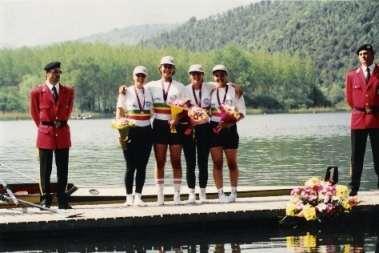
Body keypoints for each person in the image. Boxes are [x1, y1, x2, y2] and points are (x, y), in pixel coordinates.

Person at [29, 61, 74, 209]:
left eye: (59, 72)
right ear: (47, 73)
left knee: (63, 169)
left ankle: (62, 199)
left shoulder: (68, 91)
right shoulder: (37, 92)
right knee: (45, 169)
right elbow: (35, 114)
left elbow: (68, 111)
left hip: (62, 132)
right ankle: (46, 199)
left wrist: (60, 122)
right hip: (45, 133)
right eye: (54, 72)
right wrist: (44, 127)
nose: (57, 75)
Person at [146, 56, 187, 205]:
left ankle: (177, 195)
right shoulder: (151, 85)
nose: (167, 69)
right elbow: (136, 89)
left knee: (176, 161)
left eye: (170, 67)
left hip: (175, 125)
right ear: (160, 69)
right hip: (159, 125)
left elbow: (186, 108)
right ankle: (160, 196)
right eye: (165, 66)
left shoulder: (180, 87)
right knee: (160, 161)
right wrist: (123, 89)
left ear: (173, 70)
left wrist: (177, 118)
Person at [345, 44, 379, 197]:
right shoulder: (352, 75)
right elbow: (350, 99)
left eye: (367, 53)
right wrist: (361, 109)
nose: (364, 56)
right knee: (356, 156)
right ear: (358, 57)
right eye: (361, 54)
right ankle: (353, 187)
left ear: (373, 55)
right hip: (358, 120)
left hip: (377, 119)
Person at [116, 66, 153, 206]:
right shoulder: (126, 91)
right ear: (133, 77)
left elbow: (153, 112)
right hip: (131, 131)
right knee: (130, 166)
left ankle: (138, 196)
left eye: (143, 76)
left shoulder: (148, 91)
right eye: (138, 76)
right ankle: (128, 197)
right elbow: (120, 112)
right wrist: (120, 133)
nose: (140, 78)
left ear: (146, 78)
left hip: (147, 131)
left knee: (142, 166)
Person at [209, 64, 246, 203]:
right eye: (216, 75)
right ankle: (220, 194)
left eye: (222, 75)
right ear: (213, 77)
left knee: (232, 163)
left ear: (226, 76)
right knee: (217, 163)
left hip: (230, 129)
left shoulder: (235, 91)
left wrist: (229, 124)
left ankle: (234, 193)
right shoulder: (210, 89)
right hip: (214, 129)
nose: (219, 77)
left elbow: (242, 113)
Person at [182, 64, 212, 203]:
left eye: (199, 74)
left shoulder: (209, 87)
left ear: (202, 75)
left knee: (203, 161)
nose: (196, 76)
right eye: (193, 74)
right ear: (190, 76)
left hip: (205, 129)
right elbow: (181, 108)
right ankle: (191, 193)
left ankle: (203, 192)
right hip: (189, 128)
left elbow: (224, 83)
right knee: (190, 162)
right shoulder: (185, 89)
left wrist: (235, 86)